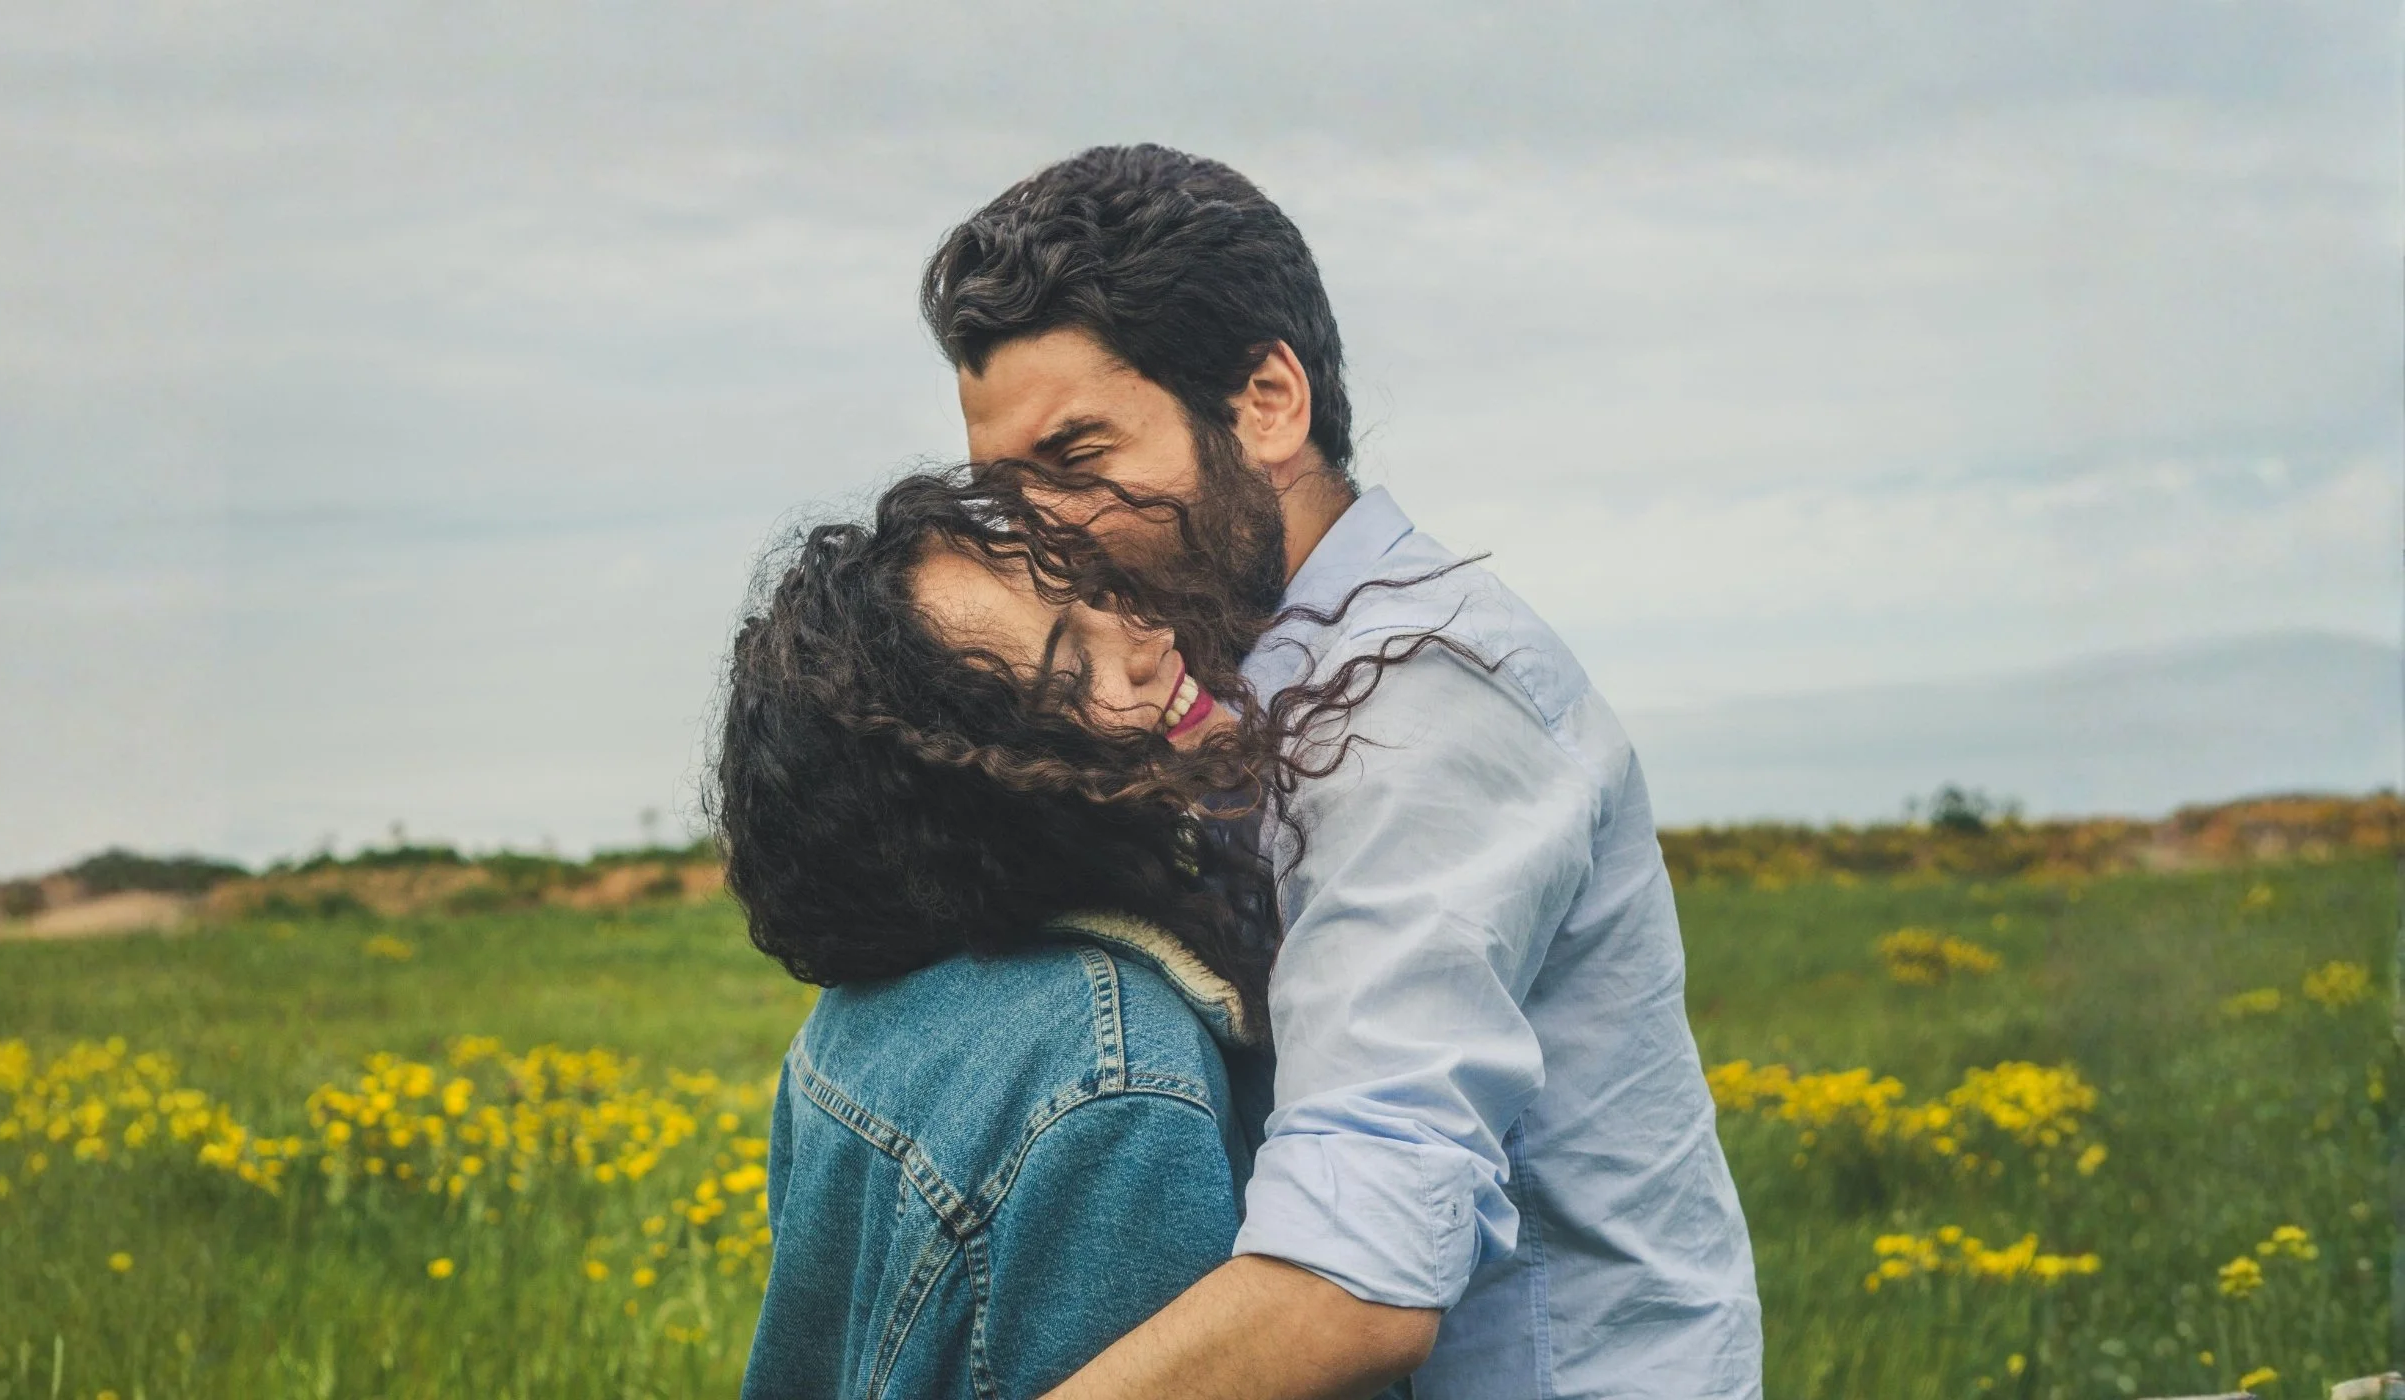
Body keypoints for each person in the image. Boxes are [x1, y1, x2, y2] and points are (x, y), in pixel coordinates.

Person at [925, 144, 1765, 1398]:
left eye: (1077, 454)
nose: (1045, 534)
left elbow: (1358, 1278)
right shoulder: (1233, 671)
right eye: (1007, 493)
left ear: (1268, 401)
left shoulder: (1418, 696)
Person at [715, 468, 1430, 1397]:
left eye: (1091, 593)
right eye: (1066, 669)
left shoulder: (852, 1023)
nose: (1146, 637)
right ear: (973, 804)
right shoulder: (1117, 1077)